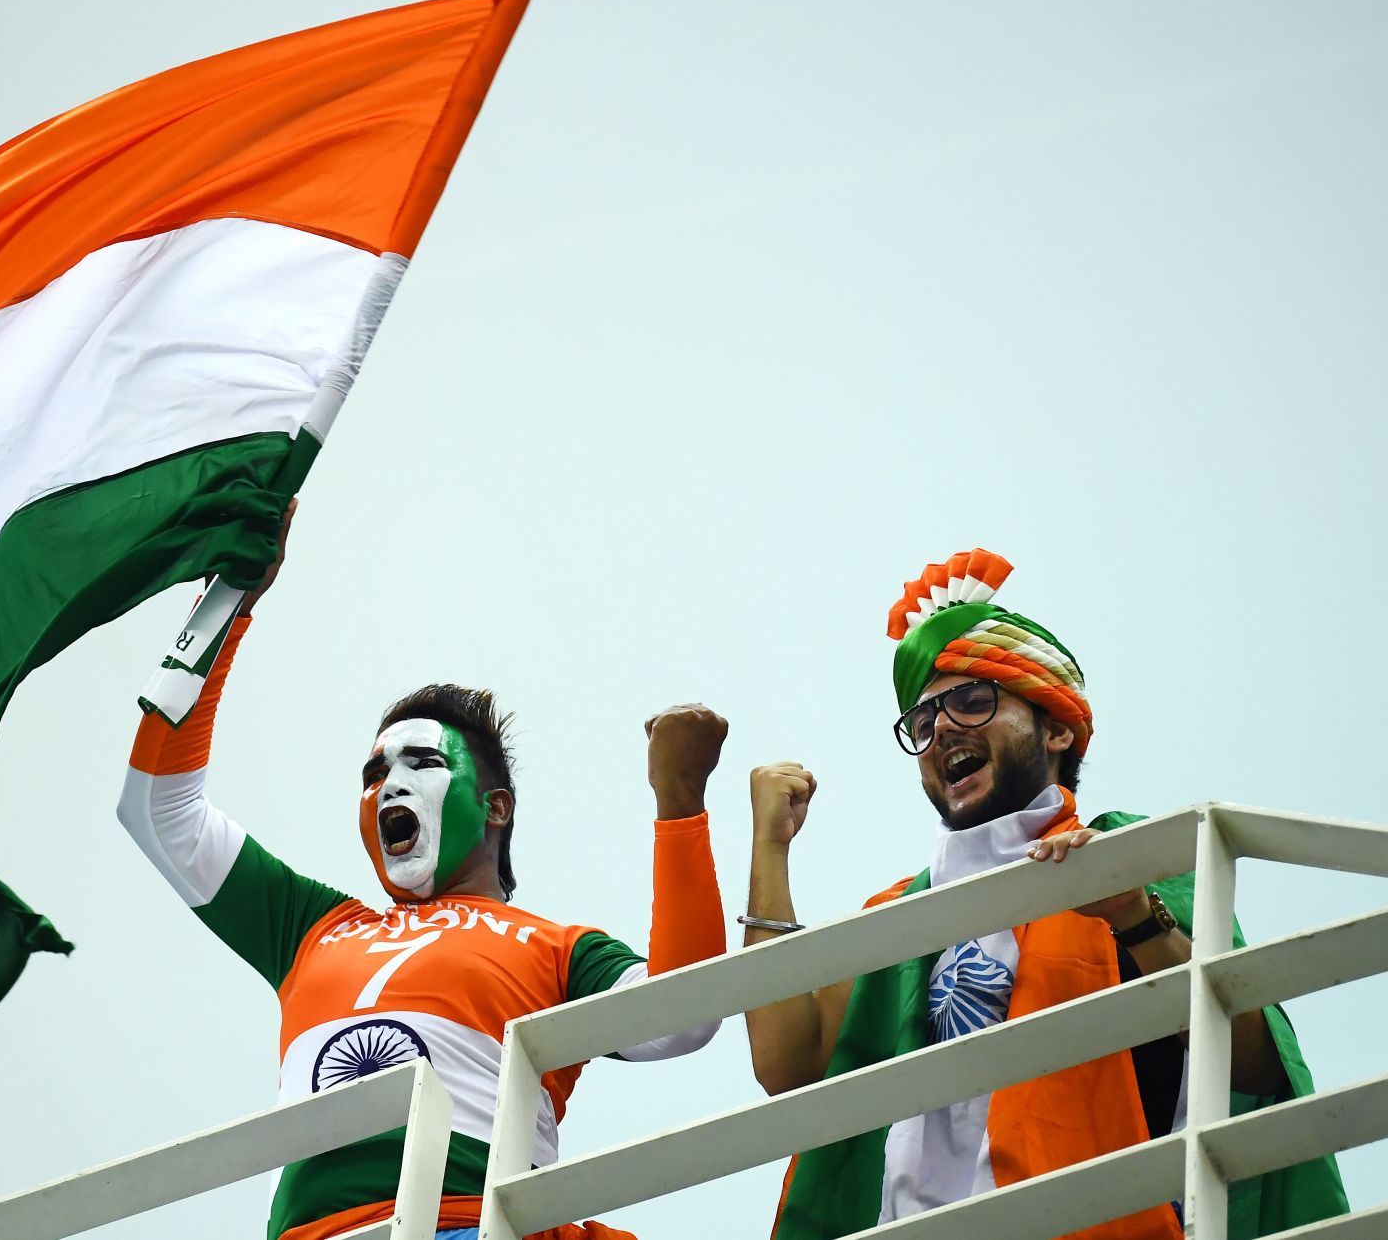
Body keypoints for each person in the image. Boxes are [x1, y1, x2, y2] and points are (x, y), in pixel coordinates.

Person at [117, 508, 729, 1240]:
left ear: (495, 805)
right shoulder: (313, 927)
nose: (390, 786)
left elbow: (683, 1017)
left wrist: (680, 803)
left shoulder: (558, 947)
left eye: (423, 764)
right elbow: (157, 809)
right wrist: (229, 603)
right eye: (374, 774)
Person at [743, 548, 1347, 1239]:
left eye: (972, 700)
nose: (940, 729)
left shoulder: (1135, 856)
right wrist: (770, 848)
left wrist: (1131, 915)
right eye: (923, 721)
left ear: (1057, 727)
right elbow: (787, 1065)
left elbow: (1258, 1064)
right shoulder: (905, 919)